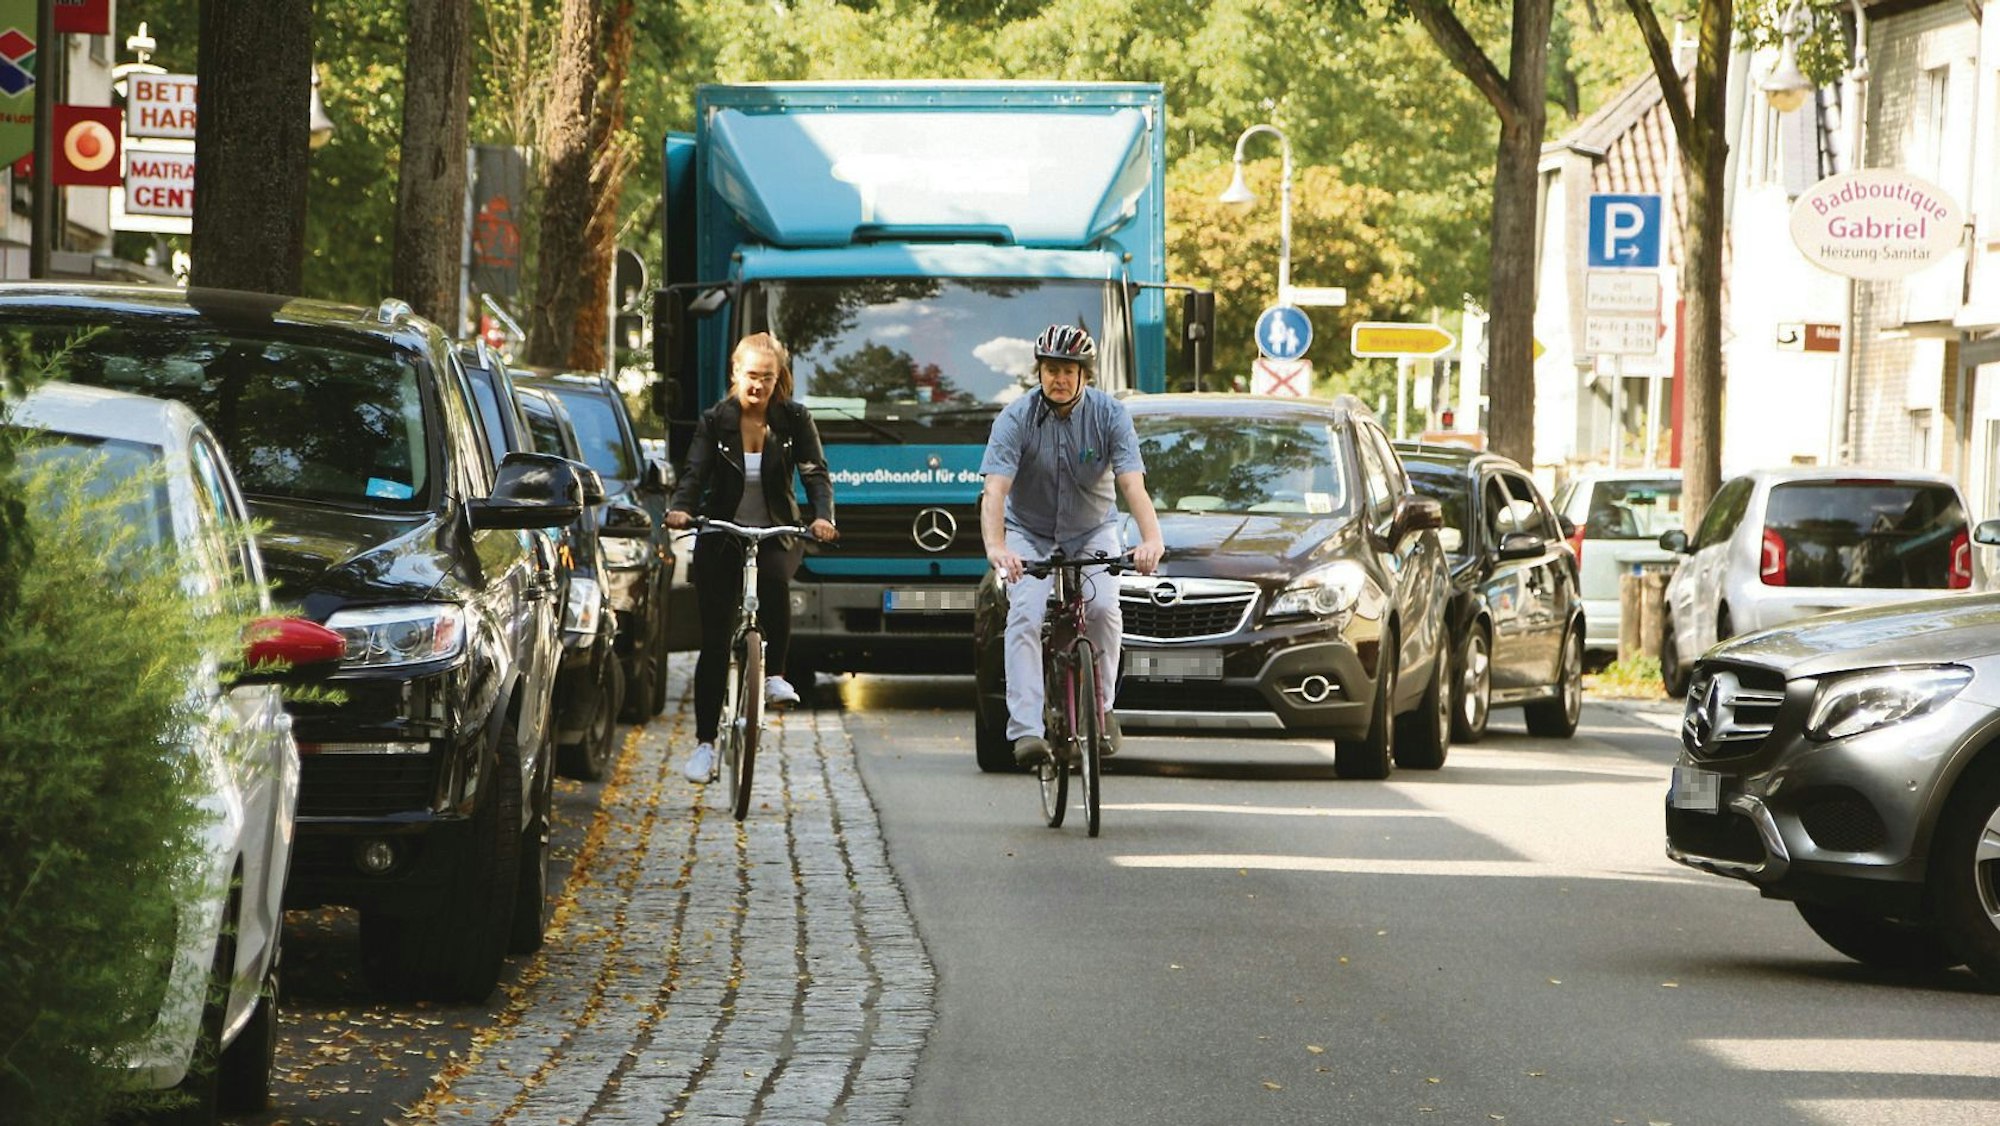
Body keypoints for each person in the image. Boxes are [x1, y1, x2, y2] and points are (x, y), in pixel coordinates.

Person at [980, 324, 1165, 766]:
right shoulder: (1015, 417)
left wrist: (1151, 539)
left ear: (1086, 375)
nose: (1058, 379)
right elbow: (995, 492)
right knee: (1024, 614)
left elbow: (1132, 485)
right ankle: (1026, 729)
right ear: (1038, 373)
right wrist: (997, 547)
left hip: (1092, 529)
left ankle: (1101, 711)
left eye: (1067, 370)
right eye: (1050, 370)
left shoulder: (1110, 414)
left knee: (1104, 610)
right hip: (1028, 529)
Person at [666, 332, 837, 784]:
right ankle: (705, 745)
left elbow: (816, 473)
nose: (758, 386)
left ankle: (775, 674)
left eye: (767, 377)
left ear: (779, 378)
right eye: (750, 376)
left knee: (776, 581)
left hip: (775, 530)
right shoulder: (715, 420)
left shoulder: (793, 419)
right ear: (734, 375)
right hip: (723, 533)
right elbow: (694, 471)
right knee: (716, 641)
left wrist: (822, 516)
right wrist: (682, 509)